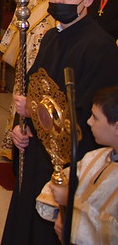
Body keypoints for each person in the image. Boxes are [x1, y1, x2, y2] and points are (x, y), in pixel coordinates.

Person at [1, 0, 118, 244]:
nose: (59, 1)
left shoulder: (100, 47)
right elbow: (32, 88)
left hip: (67, 159)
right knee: (26, 216)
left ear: (87, 0)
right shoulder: (52, 37)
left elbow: (89, 115)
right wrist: (21, 128)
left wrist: (34, 110)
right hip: (36, 149)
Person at [35, 86, 118, 243]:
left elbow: (111, 232)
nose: (88, 122)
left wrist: (70, 201)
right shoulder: (95, 157)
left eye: (95, 118)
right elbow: (61, 186)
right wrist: (62, 216)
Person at [0, 0, 62, 159]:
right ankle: (14, 144)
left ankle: (35, 149)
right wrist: (8, 50)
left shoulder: (57, 3)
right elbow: (15, 26)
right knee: (19, 102)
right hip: (24, 61)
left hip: (43, 65)